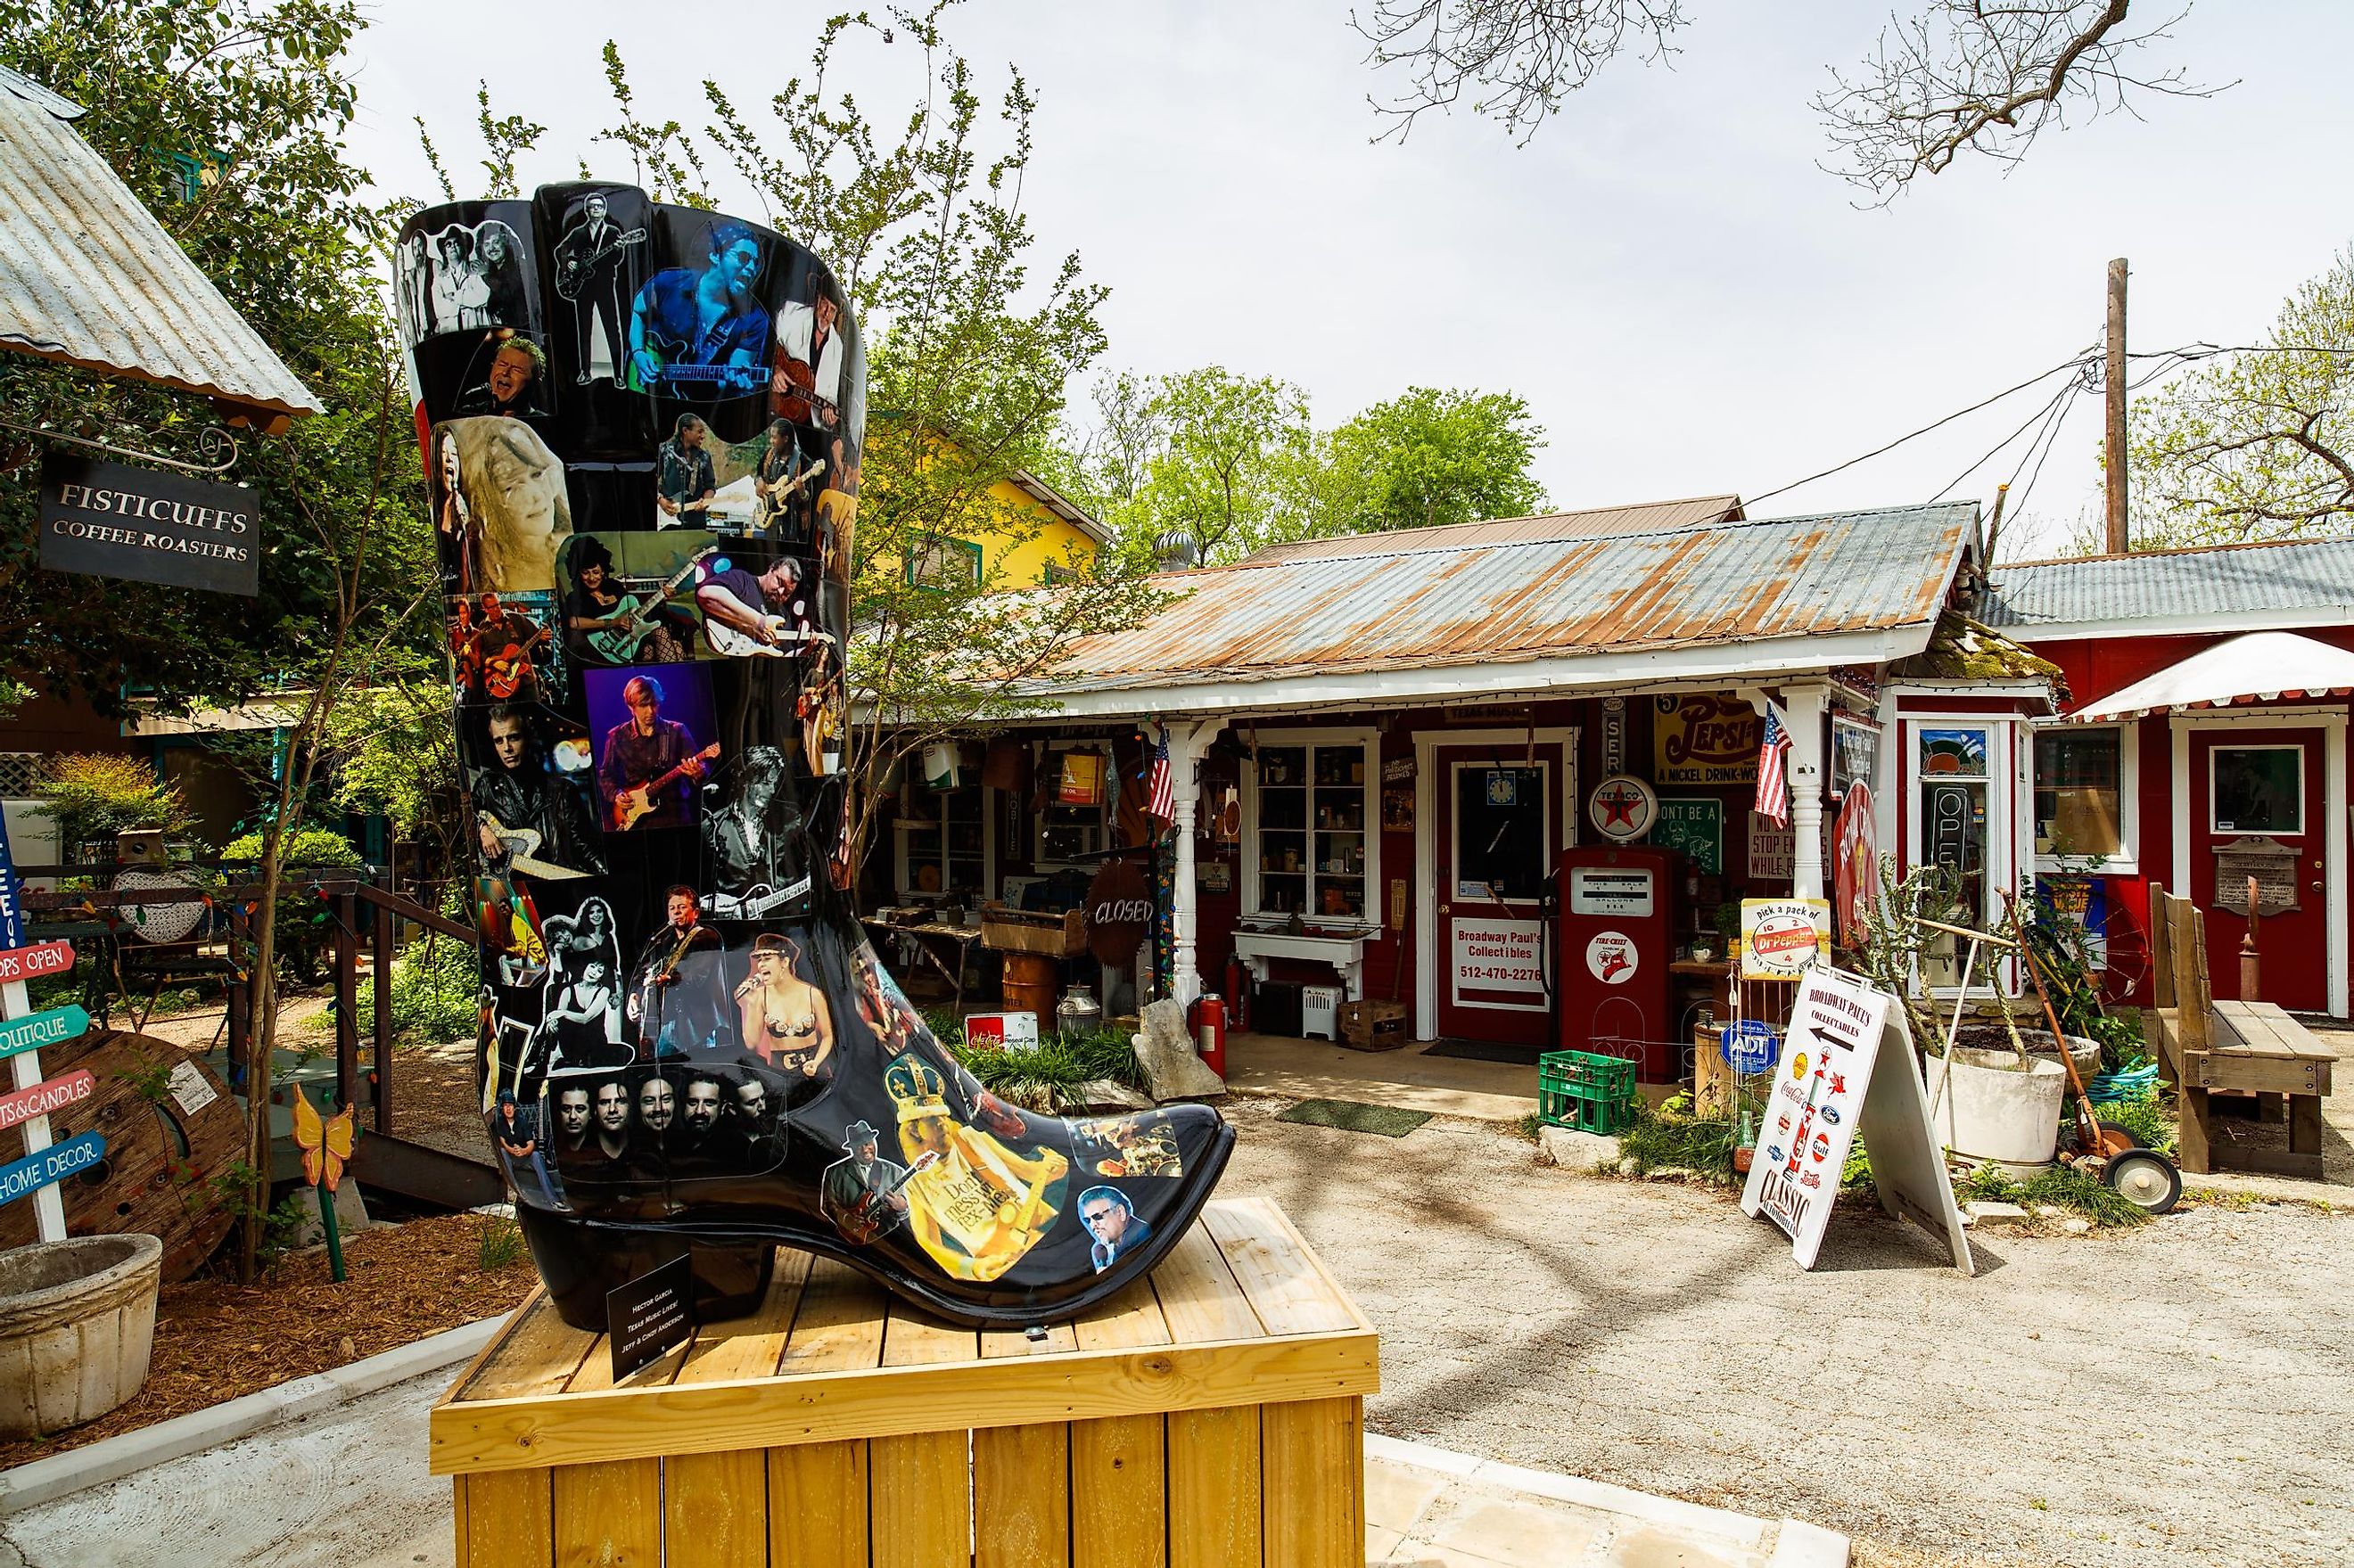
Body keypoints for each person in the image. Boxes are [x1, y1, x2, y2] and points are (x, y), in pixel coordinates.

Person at [628, 220, 770, 395]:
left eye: (755, 263)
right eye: (743, 258)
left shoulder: (755, 319)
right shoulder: (669, 282)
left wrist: (731, 383)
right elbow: (637, 311)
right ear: (715, 255)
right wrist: (638, 353)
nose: (751, 269)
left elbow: (735, 370)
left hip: (696, 408)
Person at [472, 703, 606, 878]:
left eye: (513, 738)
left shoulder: (563, 791)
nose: (507, 748)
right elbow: (465, 817)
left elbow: (585, 847)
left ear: (527, 737)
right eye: (499, 740)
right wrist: (481, 829)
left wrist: (604, 874)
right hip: (514, 888)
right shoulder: (487, 786)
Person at [701, 748, 808, 915]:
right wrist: (712, 907)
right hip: (736, 928)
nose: (772, 791)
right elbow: (700, 890)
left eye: (774, 783)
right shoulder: (713, 826)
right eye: (765, 783)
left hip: (783, 922)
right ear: (745, 780)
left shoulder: (791, 821)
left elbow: (809, 871)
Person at [597, 674, 711, 832]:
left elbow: (702, 769)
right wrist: (617, 795)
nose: (650, 711)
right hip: (636, 818)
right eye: (644, 705)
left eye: (654, 704)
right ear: (631, 707)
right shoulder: (617, 736)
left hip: (674, 813)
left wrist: (698, 772)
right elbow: (606, 774)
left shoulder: (676, 731)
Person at [563, 535, 693, 667]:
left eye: (595, 572)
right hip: (605, 649)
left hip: (631, 642)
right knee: (667, 640)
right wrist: (613, 622)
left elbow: (635, 609)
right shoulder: (576, 597)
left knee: (674, 644)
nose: (591, 578)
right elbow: (573, 622)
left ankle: (670, 684)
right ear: (578, 573)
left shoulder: (614, 586)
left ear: (603, 571)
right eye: (585, 572)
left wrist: (661, 597)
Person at [629, 884, 727, 1055]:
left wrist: (666, 980)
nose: (676, 912)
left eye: (682, 907)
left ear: (695, 913)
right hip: (671, 1023)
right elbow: (644, 969)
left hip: (698, 1025)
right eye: (672, 908)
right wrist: (635, 993)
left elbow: (697, 977)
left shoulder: (706, 937)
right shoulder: (665, 941)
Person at [553, 193, 639, 382]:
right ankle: (585, 372)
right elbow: (561, 250)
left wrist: (618, 248)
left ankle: (619, 374)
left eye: (600, 206)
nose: (596, 209)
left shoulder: (613, 232)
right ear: (587, 210)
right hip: (583, 285)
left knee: (612, 327)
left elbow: (617, 260)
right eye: (593, 206)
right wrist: (569, 262)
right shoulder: (578, 233)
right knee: (584, 328)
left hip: (605, 285)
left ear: (604, 209)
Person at [733, 933, 834, 1078]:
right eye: (759, 960)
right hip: (779, 1073)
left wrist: (816, 1062)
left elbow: (827, 1036)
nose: (761, 965)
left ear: (784, 962)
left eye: (767, 959)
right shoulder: (761, 996)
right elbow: (751, 1042)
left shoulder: (813, 994)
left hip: (815, 1070)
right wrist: (751, 1004)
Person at [694, 553, 813, 653]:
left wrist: (806, 650)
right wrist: (759, 621)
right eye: (779, 582)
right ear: (771, 570)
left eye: (787, 593)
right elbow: (705, 594)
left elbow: (784, 654)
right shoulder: (743, 580)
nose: (781, 592)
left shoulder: (783, 616)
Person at [820, 1121, 912, 1245]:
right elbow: (828, 1205)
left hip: (890, 1240)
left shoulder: (895, 1172)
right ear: (852, 1149)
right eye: (859, 1146)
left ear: (874, 1142)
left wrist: (902, 1208)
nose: (865, 1149)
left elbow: (904, 1215)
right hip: (851, 1239)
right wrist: (846, 1220)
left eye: (868, 1143)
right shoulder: (834, 1172)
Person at [771, 290, 844, 425]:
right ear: (818, 300)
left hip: (806, 423)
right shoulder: (792, 313)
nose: (827, 313)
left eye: (832, 310)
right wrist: (774, 368)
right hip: (772, 407)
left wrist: (831, 415)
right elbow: (764, 340)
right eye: (824, 304)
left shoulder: (837, 346)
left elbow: (831, 395)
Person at [544, 956, 627, 1071]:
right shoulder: (568, 991)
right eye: (592, 966)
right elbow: (558, 1019)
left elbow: (585, 1018)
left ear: (602, 976)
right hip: (571, 1048)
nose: (594, 972)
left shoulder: (604, 991)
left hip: (594, 1049)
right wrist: (552, 1021)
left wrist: (559, 1013)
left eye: (599, 971)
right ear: (585, 968)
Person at [466, 593, 547, 703]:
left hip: (525, 679)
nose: (496, 610)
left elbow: (537, 635)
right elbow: (481, 653)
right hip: (501, 682)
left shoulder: (516, 619)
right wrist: (493, 663)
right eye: (492, 607)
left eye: (497, 605)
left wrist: (543, 637)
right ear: (485, 609)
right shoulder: (482, 628)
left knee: (533, 713)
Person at [495, 1092, 561, 1208]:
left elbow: (531, 1144)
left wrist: (523, 1151)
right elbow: (502, 1141)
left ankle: (553, 1199)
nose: (508, 1109)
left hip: (525, 1155)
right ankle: (513, 1189)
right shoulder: (500, 1121)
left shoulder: (522, 1121)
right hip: (511, 1156)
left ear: (514, 1107)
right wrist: (512, 1150)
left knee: (536, 1156)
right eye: (506, 1106)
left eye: (510, 1105)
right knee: (503, 1152)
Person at [434, 429, 481, 592]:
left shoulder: (470, 503)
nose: (448, 458)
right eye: (443, 453)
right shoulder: (437, 506)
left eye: (453, 453)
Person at [457, 337, 547, 419]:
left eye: (517, 370)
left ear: (535, 382)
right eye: (502, 365)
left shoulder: (541, 422)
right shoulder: (469, 413)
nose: (505, 372)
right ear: (492, 367)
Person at [656, 415, 717, 527]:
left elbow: (710, 486)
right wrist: (661, 500)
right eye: (699, 432)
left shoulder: (703, 456)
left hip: (696, 520)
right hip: (667, 516)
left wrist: (705, 502)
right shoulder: (666, 452)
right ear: (685, 431)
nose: (703, 436)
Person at [1078, 1186, 1149, 1272]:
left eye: (1098, 1216)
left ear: (1120, 1212)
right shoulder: (1122, 1247)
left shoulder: (1142, 1237)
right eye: (1088, 1220)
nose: (1093, 1225)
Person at [474, 221, 528, 326]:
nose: (491, 248)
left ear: (506, 243)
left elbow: (508, 293)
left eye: (496, 242)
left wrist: (486, 275)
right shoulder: (493, 269)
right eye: (486, 244)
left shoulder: (519, 265)